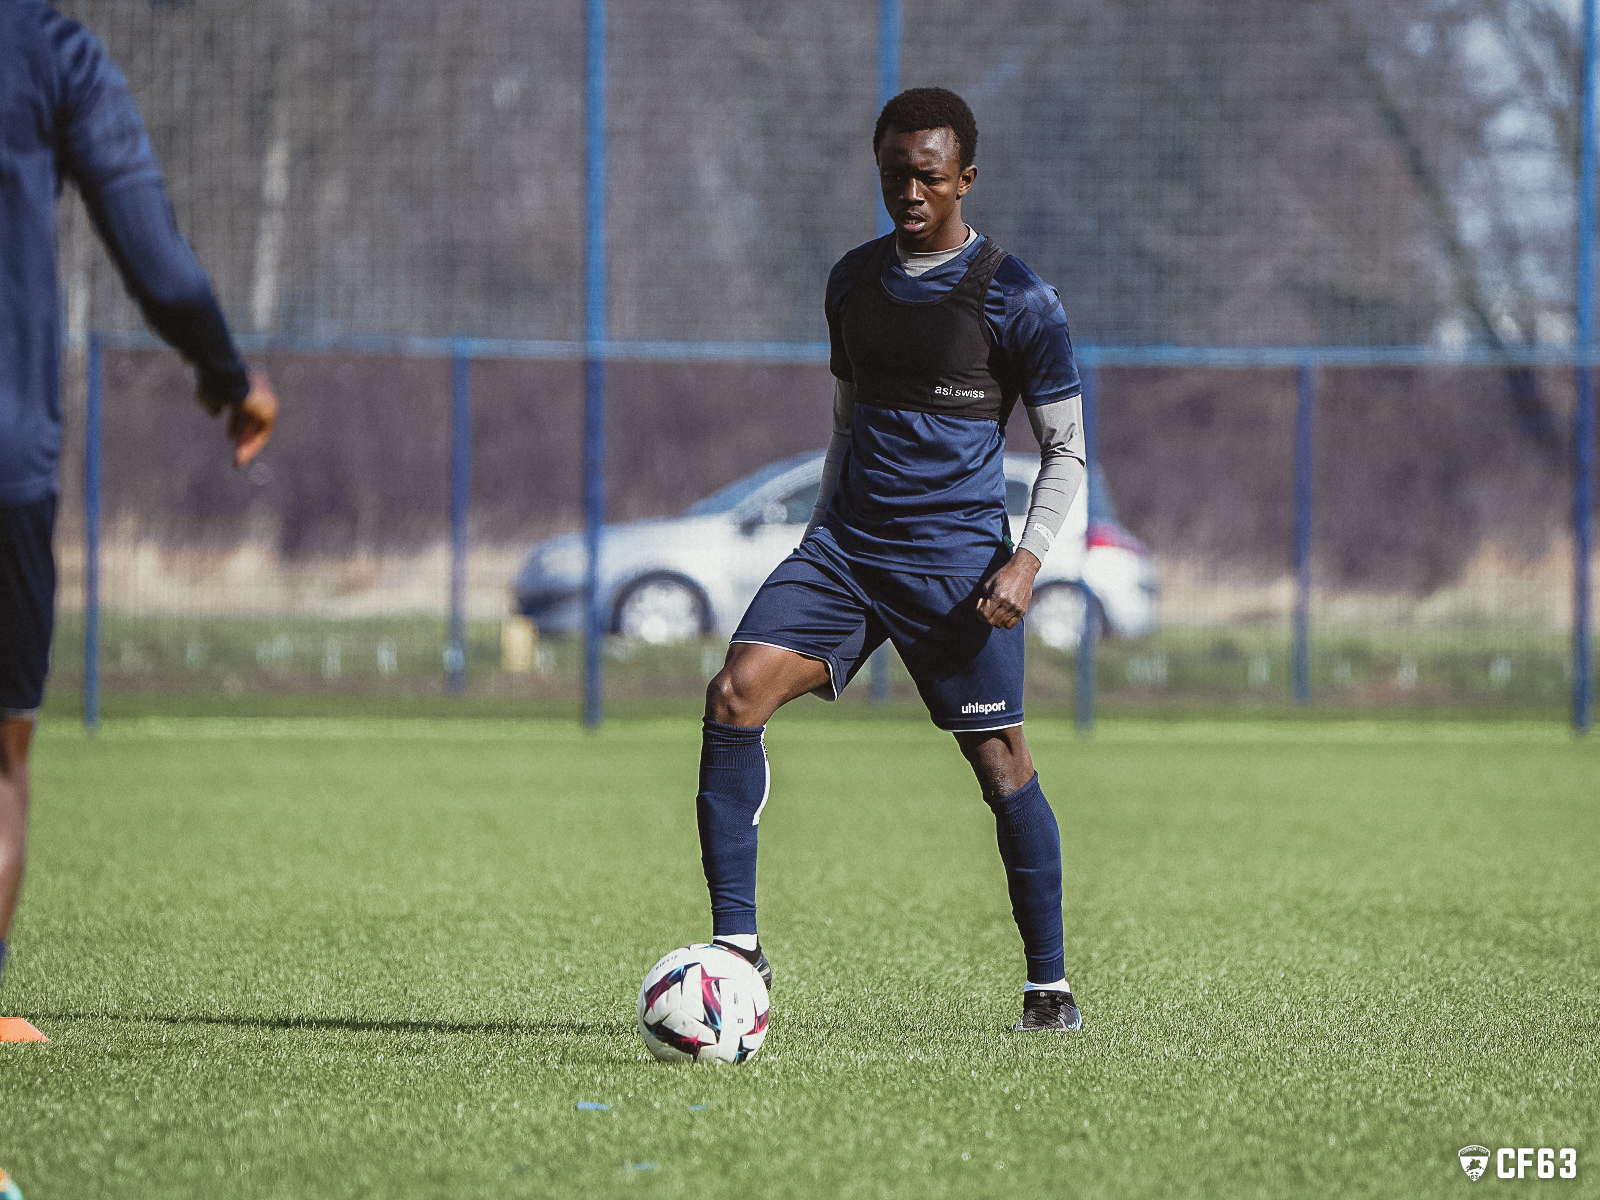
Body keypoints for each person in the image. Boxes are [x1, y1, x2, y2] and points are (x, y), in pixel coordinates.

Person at [695, 88, 1087, 1031]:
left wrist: (1025, 562)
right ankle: (738, 951)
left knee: (1003, 768)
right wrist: (818, 541)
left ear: (965, 178)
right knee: (734, 694)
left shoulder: (1019, 297)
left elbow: (1067, 453)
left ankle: (1049, 985)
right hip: (845, 553)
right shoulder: (852, 283)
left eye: (927, 174)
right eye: (893, 174)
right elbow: (843, 427)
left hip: (955, 569)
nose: (909, 191)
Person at [0, 0, 277, 1021]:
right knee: (3, 754)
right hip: (6, 458)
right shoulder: (48, 48)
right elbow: (155, 262)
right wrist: (227, 376)